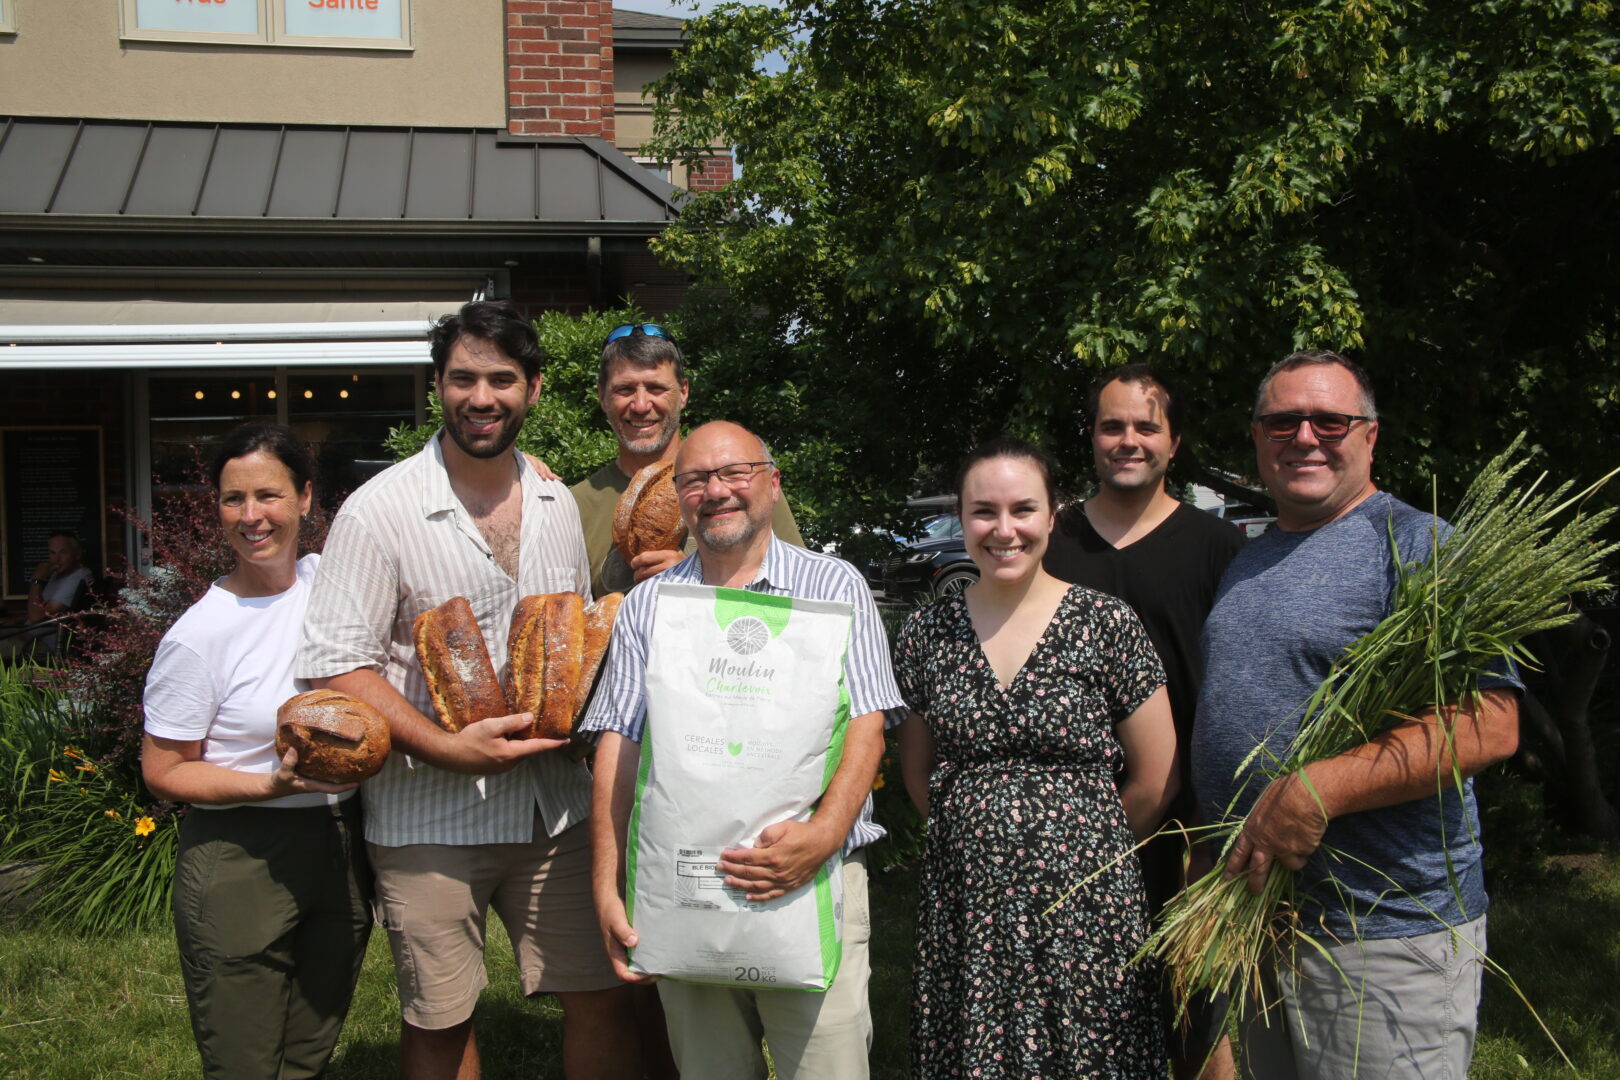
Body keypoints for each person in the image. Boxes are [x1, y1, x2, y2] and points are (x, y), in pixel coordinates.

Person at [295, 300, 638, 1080]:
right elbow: (334, 663)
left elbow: (571, 643)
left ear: (535, 390)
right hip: (427, 816)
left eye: (501, 379)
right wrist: (449, 747)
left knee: (599, 997)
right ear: (436, 388)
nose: (481, 397)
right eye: (462, 379)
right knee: (440, 1018)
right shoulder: (378, 511)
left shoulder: (555, 505)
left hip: (555, 810)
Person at [1192, 349, 1522, 1079]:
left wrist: (1319, 789)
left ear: (1370, 435)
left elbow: (1490, 722)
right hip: (1259, 920)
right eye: (1281, 421)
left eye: (1329, 419)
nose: (1304, 436)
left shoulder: (1418, 547)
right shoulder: (1251, 557)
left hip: (1379, 935)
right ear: (1255, 438)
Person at [584, 420, 903, 1080]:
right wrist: (606, 885)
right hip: (686, 888)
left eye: (735, 474)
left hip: (812, 877)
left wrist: (823, 833)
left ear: (772, 483)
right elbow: (619, 743)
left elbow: (869, 726)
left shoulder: (835, 586)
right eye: (695, 480)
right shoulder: (648, 607)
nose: (716, 492)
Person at [895, 437, 1179, 1080]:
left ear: (1053, 515)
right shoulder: (927, 632)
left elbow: (1157, 776)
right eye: (982, 512)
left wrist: (1080, 847)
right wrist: (980, 839)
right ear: (961, 520)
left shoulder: (1107, 624)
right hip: (967, 906)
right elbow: (918, 772)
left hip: (1087, 905)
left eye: (1023, 509)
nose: (1004, 530)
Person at [140, 423, 370, 1080]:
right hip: (242, 852)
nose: (250, 516)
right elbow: (162, 771)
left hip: (340, 843)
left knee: (308, 1053)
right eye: (232, 499)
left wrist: (530, 471)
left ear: (304, 499)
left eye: (267, 495)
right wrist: (266, 785)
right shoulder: (200, 636)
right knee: (244, 1064)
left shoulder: (330, 584)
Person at [1043, 365, 1242, 1079]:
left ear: (1174, 442)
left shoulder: (1220, 551)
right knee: (1086, 1021)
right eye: (1112, 425)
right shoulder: (1048, 543)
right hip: (1074, 825)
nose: (1128, 440)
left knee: (1198, 1018)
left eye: (1145, 426)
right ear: (1092, 438)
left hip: (1191, 826)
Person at [570, 323, 802, 599]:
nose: (641, 405)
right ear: (602, 397)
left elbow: (797, 593)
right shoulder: (575, 504)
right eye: (625, 390)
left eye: (656, 388)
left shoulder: (744, 483)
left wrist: (693, 579)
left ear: (683, 392)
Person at [1, 531, 93, 659]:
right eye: (52, 553)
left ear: (77, 555)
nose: (56, 559)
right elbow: (48, 613)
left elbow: (36, 618)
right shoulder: (58, 575)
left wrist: (37, 579)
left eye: (63, 552)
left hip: (44, 643)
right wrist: (17, 619)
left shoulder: (78, 578)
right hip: (33, 634)